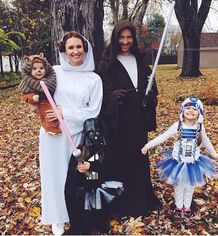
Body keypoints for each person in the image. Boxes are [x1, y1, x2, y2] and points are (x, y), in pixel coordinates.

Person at [38, 31, 103, 235]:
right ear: (64, 51)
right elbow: (38, 91)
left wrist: (65, 112)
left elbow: (94, 111)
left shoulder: (94, 79)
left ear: (85, 49)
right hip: (52, 135)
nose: (75, 51)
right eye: (70, 48)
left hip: (78, 136)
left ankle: (80, 217)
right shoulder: (54, 72)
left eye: (78, 47)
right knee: (53, 176)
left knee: (77, 178)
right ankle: (56, 218)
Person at [97, 20, 161, 217]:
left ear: (134, 38)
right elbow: (101, 94)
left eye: (129, 37)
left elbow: (151, 87)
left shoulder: (140, 61)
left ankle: (140, 199)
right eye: (121, 37)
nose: (125, 41)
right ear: (115, 39)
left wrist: (150, 97)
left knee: (139, 160)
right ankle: (121, 203)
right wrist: (112, 97)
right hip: (118, 123)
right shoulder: (106, 64)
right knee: (120, 161)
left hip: (138, 121)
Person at [141, 96, 218, 218]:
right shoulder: (178, 125)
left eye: (195, 109)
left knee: (189, 187)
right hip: (178, 163)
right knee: (178, 187)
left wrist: (213, 153)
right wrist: (148, 145)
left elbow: (206, 141)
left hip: (193, 164)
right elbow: (164, 136)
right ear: (182, 110)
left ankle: (187, 206)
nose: (191, 111)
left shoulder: (199, 128)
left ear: (199, 113)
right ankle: (178, 206)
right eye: (188, 108)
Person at [19, 53, 61, 135]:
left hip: (52, 102)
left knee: (51, 112)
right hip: (40, 102)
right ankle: (52, 129)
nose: (38, 70)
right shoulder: (27, 83)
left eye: (41, 68)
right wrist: (32, 98)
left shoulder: (49, 80)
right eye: (34, 69)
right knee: (48, 114)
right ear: (29, 71)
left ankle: (54, 127)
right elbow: (25, 96)